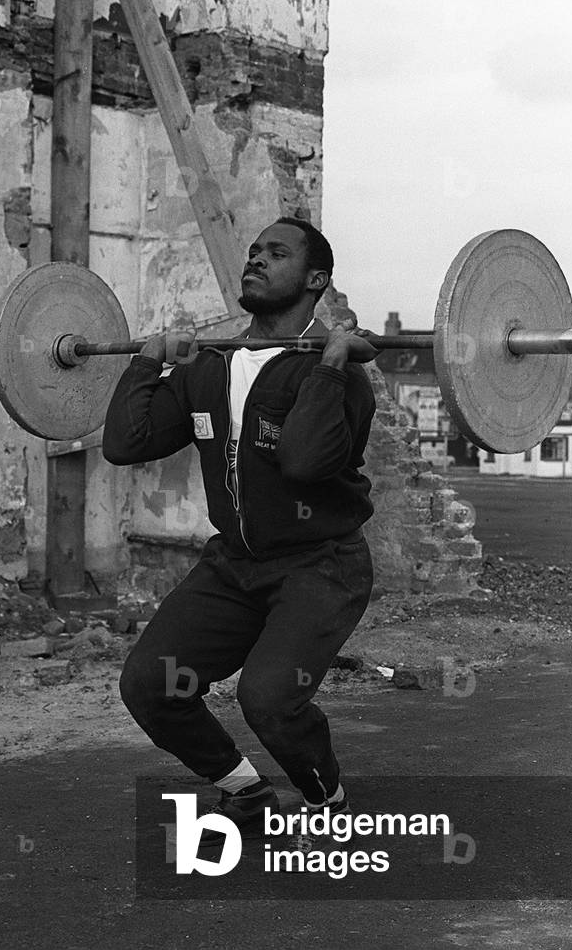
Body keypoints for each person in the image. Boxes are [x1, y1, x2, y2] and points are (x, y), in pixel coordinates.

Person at [103, 217, 378, 847]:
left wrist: (333, 359)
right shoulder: (212, 365)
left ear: (316, 280)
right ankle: (245, 790)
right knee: (151, 683)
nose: (255, 260)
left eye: (275, 254)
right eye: (253, 251)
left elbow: (306, 462)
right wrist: (147, 363)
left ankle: (326, 799)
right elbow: (126, 443)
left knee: (270, 699)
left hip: (321, 564)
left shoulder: (339, 375)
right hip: (234, 564)